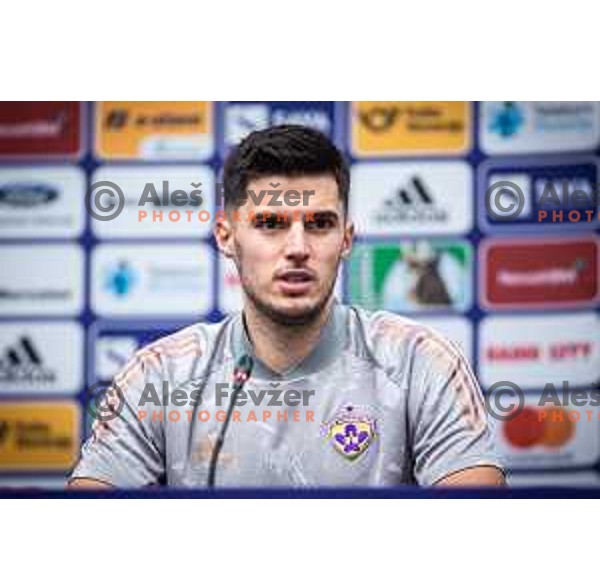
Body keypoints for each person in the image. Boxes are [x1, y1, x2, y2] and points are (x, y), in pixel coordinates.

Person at [69, 125, 505, 488]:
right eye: (271, 224)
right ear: (226, 237)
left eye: (319, 224)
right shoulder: (159, 375)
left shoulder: (420, 362)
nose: (298, 248)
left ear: (346, 240)